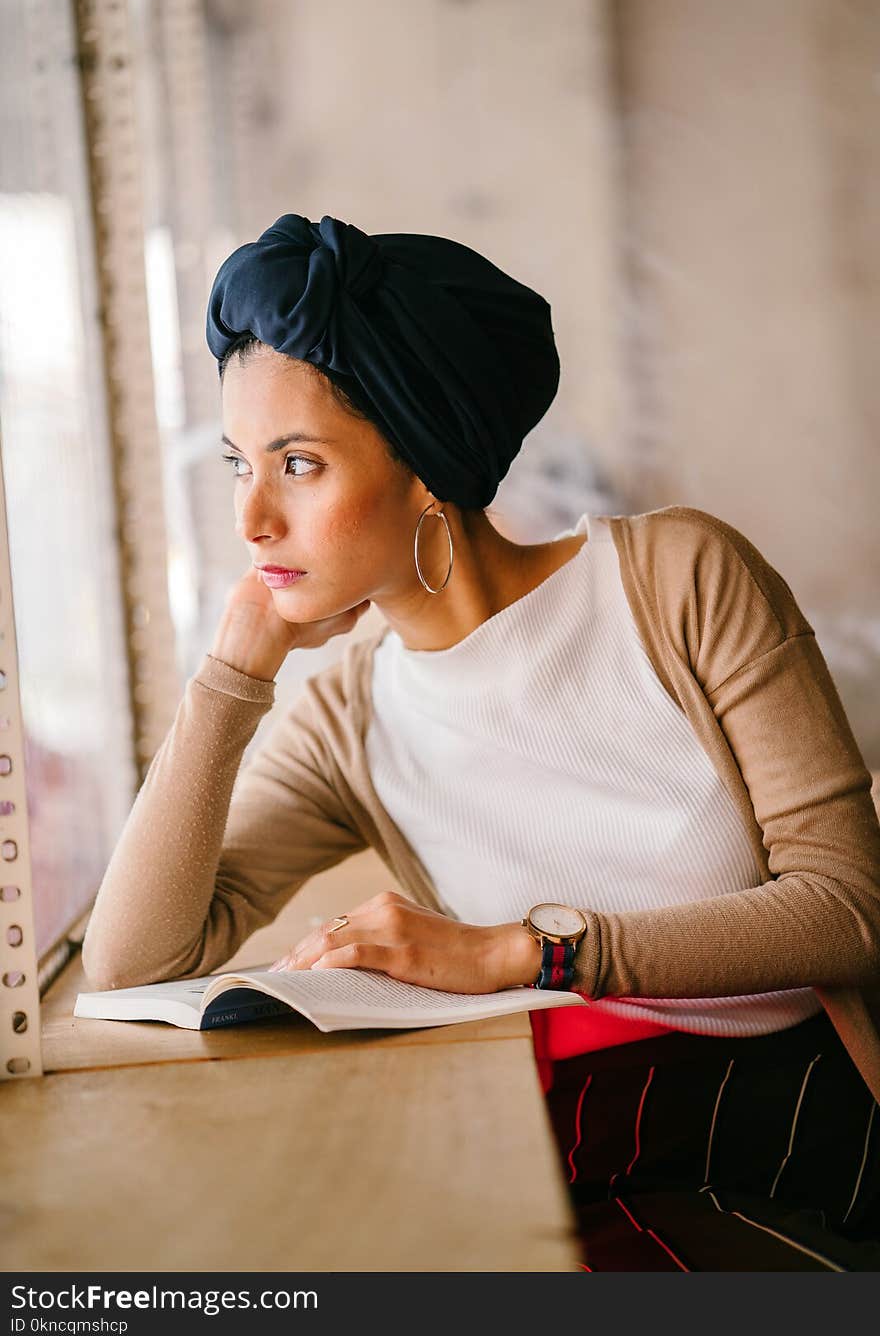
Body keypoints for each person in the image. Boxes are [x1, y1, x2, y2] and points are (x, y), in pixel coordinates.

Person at [81, 212, 880, 1270]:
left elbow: (847, 908)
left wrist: (524, 949)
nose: (252, 519)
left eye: (300, 464)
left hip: (789, 1130)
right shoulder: (346, 719)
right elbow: (132, 962)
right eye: (240, 463)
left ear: (423, 465)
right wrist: (233, 674)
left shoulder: (677, 580)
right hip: (545, 1129)